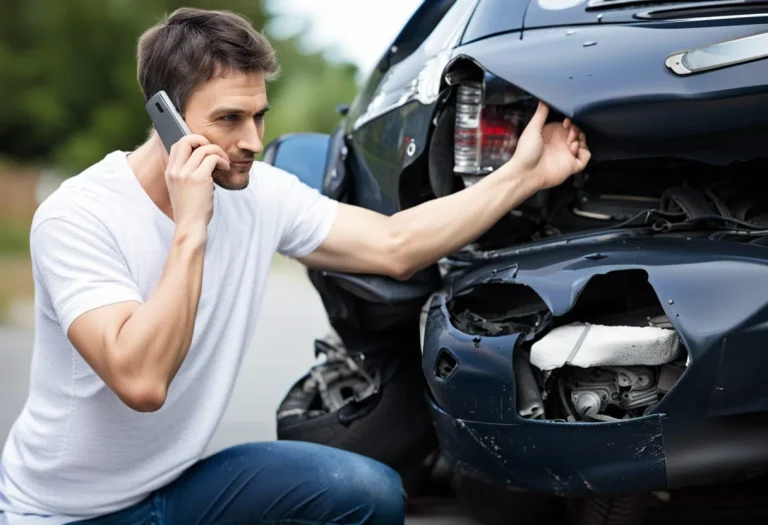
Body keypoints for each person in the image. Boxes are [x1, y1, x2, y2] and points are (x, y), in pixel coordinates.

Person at [0, 7, 590, 525]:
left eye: (259, 116)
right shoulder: (76, 217)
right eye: (229, 119)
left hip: (176, 488)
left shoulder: (260, 194)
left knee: (368, 492)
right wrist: (190, 227)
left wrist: (526, 175)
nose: (255, 140)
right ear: (166, 119)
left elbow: (396, 245)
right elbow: (142, 381)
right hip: (64, 514)